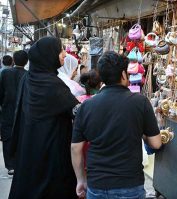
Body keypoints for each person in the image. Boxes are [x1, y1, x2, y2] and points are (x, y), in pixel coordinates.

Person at [71, 51, 162, 199]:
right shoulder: (140, 102)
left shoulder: (86, 106)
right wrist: (141, 131)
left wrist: (81, 180)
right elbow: (156, 143)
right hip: (130, 184)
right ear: (124, 74)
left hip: (97, 184)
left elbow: (76, 148)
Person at [9, 37, 79, 199]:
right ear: (49, 55)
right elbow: (76, 111)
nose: (64, 54)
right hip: (52, 148)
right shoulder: (51, 84)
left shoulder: (28, 79)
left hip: (29, 146)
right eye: (60, 50)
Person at [0, 50, 28, 176]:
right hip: (24, 111)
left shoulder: (5, 73)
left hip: (7, 110)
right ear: (27, 61)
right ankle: (21, 163)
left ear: (13, 61)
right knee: (22, 136)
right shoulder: (28, 75)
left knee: (7, 138)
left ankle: (11, 165)